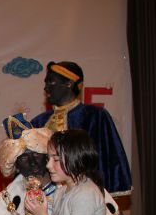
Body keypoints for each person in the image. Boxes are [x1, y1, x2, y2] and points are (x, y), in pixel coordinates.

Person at [31, 61, 132, 197]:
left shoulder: (94, 116)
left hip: (84, 195)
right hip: (46, 198)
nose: (46, 87)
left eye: (51, 82)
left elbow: (108, 159)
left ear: (69, 83)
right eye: (46, 83)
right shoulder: (39, 121)